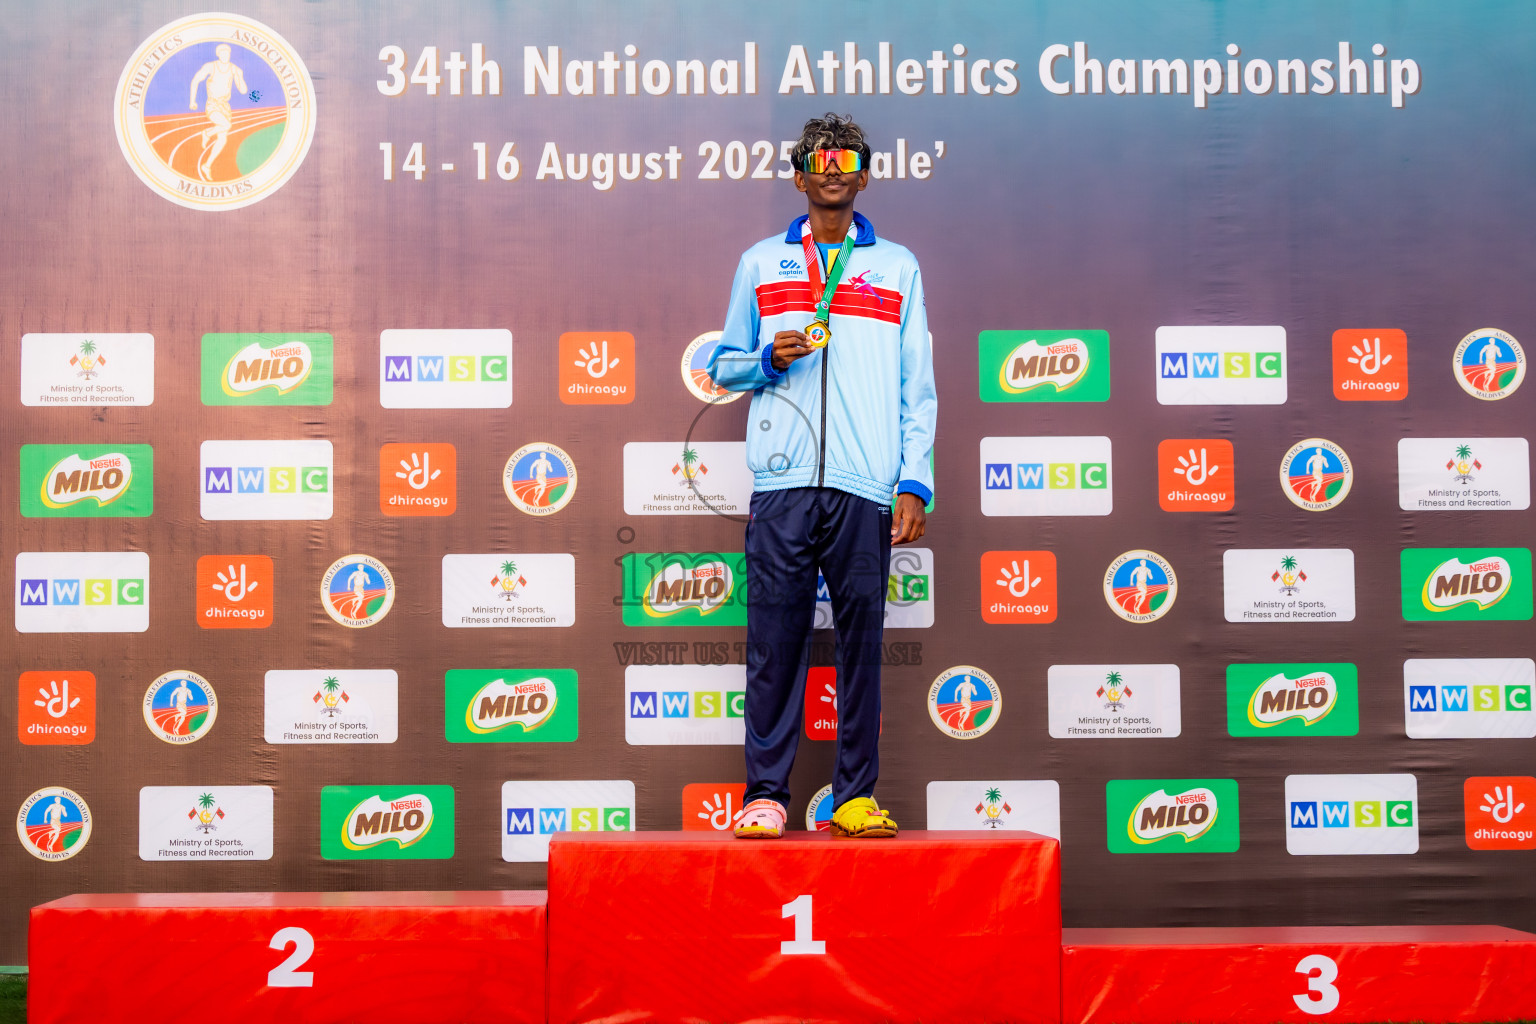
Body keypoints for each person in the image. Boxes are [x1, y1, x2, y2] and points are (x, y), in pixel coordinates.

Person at [708, 113, 936, 840]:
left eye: (847, 157)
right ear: (799, 174)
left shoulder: (897, 266)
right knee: (774, 642)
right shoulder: (760, 263)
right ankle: (765, 795)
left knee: (862, 645)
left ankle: (854, 795)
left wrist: (913, 480)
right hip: (781, 486)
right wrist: (767, 357)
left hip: (866, 484)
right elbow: (722, 366)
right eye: (818, 158)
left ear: (864, 173)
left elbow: (917, 386)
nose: (833, 168)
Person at [190, 44, 249, 181]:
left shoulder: (234, 69)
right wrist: (192, 101)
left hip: (225, 106)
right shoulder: (210, 66)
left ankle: (207, 165)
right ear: (218, 54)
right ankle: (207, 133)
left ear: (229, 54)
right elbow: (195, 80)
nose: (225, 55)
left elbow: (243, 90)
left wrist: (240, 76)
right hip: (213, 105)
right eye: (222, 53)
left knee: (222, 139)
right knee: (226, 125)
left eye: (227, 53)